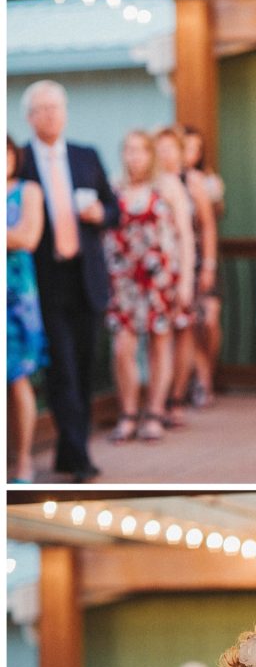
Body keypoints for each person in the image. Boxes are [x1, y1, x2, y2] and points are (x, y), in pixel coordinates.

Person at [19, 79, 119, 482]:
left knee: (84, 364)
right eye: (41, 109)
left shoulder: (85, 156)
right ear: (29, 117)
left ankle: (68, 448)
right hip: (45, 277)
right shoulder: (20, 161)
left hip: (86, 273)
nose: (49, 115)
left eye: (55, 107)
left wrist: (101, 214)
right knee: (61, 368)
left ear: (65, 112)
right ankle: (79, 457)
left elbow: (113, 207)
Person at [104, 130, 194, 443]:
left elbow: (185, 235)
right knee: (123, 348)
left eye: (141, 150)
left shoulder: (167, 186)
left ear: (150, 154)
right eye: (129, 150)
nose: (135, 156)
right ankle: (128, 412)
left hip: (160, 279)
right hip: (124, 280)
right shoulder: (114, 187)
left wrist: (186, 282)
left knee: (160, 345)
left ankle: (155, 411)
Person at [154, 127, 217, 427]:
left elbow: (206, 226)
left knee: (186, 330)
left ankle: (176, 396)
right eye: (160, 148)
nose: (164, 154)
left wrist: (208, 266)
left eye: (170, 149)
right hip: (157, 267)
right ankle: (160, 395)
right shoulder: (152, 182)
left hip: (189, 263)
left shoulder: (191, 181)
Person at [7, 133, 47, 484]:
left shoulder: (29, 191)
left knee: (18, 378)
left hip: (15, 297)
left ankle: (23, 460)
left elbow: (28, 237)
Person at [183, 125, 225, 408]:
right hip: (182, 256)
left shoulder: (208, 181)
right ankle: (200, 381)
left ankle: (208, 371)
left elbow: (214, 216)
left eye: (194, 148)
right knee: (191, 321)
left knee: (209, 319)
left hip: (205, 256)